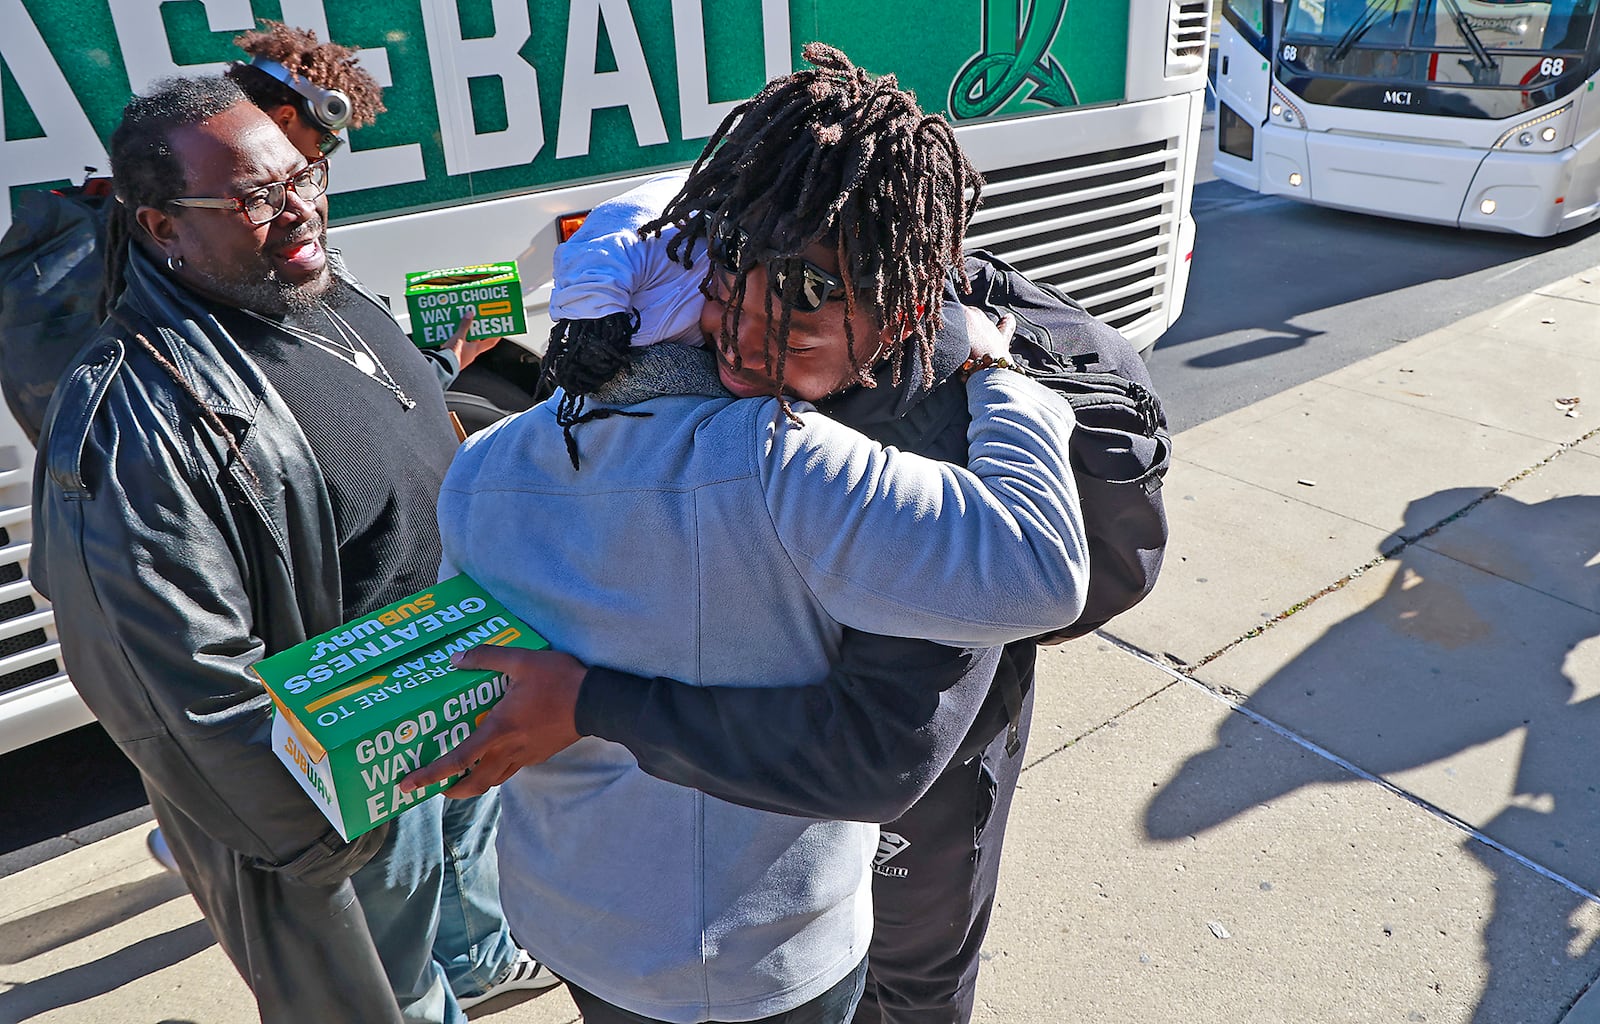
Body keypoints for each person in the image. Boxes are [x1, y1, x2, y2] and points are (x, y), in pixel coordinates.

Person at [404, 44, 1137, 1024]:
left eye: (804, 291)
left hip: (573, 920)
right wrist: (998, 376)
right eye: (734, 263)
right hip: (759, 950)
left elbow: (484, 662)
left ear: (907, 303)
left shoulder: (490, 462)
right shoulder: (785, 459)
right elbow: (1042, 571)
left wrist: (575, 703)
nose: (755, 312)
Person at [30, 76, 551, 1023]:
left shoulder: (314, 280)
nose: (299, 208)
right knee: (388, 979)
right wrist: (317, 824)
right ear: (161, 227)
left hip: (456, 677)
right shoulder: (132, 413)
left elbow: (384, 406)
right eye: (253, 199)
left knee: (471, 871)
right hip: (358, 744)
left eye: (303, 176)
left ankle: (480, 965)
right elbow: (170, 671)